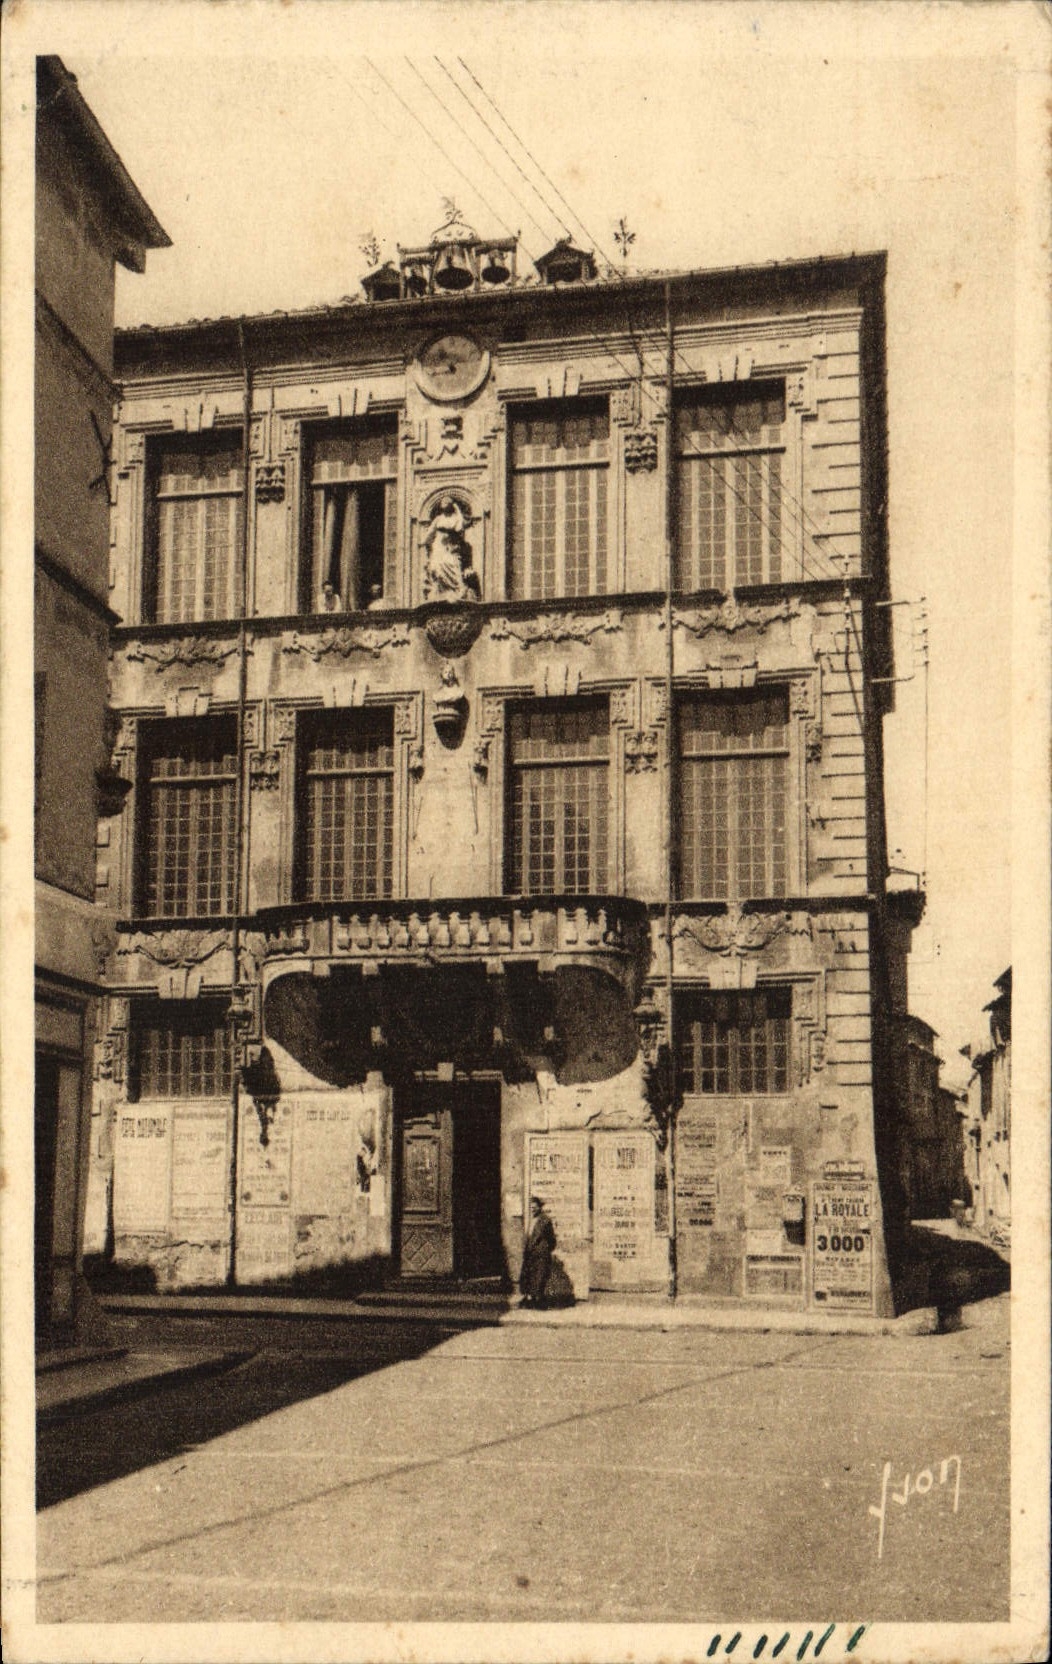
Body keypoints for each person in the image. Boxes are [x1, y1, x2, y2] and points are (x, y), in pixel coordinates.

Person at [519, 1195, 555, 1309]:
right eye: (531, 1207)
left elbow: (552, 1239)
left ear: (540, 1207)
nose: (533, 1209)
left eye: (535, 1207)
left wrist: (544, 1249)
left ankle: (539, 1302)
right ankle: (531, 1300)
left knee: (539, 1278)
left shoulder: (545, 1220)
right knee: (529, 1277)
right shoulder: (531, 1220)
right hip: (530, 1253)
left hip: (540, 1254)